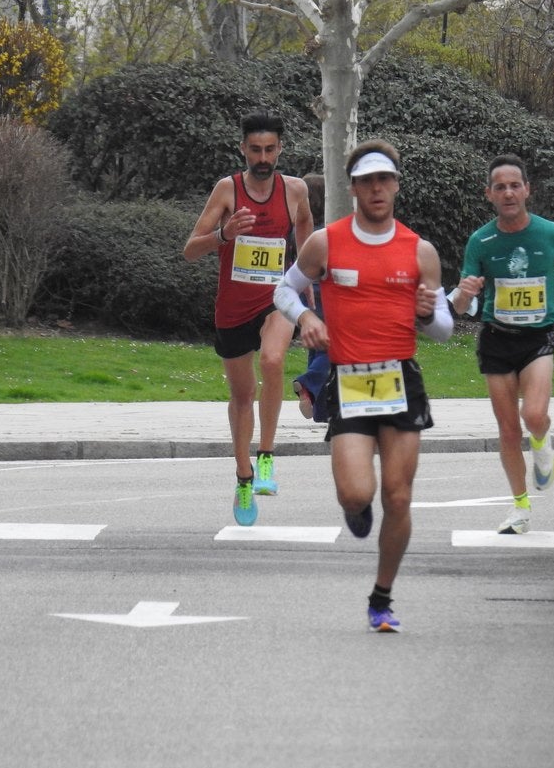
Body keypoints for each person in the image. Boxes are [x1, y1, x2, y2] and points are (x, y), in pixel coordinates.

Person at [274, 140, 453, 633]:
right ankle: (356, 510)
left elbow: (442, 328)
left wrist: (428, 315)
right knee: (357, 493)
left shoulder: (421, 251)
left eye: (385, 179)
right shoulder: (326, 243)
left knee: (398, 497)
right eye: (367, 181)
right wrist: (307, 315)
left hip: (401, 380)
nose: (377, 189)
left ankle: (382, 597)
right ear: (353, 188)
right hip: (348, 381)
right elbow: (283, 289)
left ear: (395, 185)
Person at [184, 110, 314, 526]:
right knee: (243, 395)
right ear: (243, 149)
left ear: (280, 149)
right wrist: (224, 235)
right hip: (233, 306)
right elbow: (189, 249)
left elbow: (306, 228)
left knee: (274, 360)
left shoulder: (294, 190)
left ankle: (267, 457)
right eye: (255, 149)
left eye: (270, 149)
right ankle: (243, 475)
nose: (263, 157)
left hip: (277, 297)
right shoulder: (227, 190)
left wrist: (306, 276)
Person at [450, 153, 554, 536]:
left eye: (514, 185)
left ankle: (543, 447)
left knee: (534, 416)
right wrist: (464, 292)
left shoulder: (551, 233)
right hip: (496, 339)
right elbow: (461, 306)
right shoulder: (481, 241)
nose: (508, 193)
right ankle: (520, 507)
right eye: (500, 187)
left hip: (538, 338)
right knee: (508, 431)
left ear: (527, 190)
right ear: (489, 194)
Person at [291, 171, 330, 422]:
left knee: (315, 345)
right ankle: (308, 383)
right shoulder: (327, 232)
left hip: (304, 294)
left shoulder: (298, 230)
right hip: (325, 292)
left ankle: (320, 408)